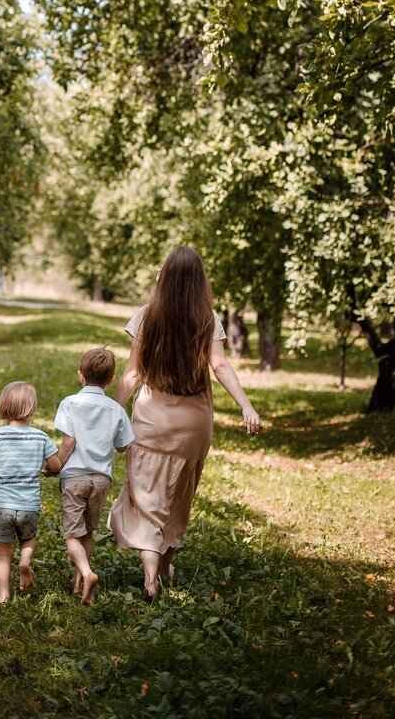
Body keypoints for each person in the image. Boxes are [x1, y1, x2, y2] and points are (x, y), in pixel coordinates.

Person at [109, 246, 262, 598]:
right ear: (199, 281)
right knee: (178, 498)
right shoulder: (207, 318)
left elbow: (132, 374)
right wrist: (246, 407)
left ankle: (150, 576)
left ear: (164, 276)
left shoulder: (147, 315)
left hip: (151, 423)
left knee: (146, 498)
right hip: (192, 428)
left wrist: (113, 412)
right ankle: (164, 567)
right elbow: (220, 365)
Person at [50, 347, 134, 604]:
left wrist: (56, 466)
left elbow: (68, 442)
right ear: (110, 380)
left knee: (72, 534)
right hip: (100, 480)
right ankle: (78, 584)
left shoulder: (70, 403)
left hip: (74, 478)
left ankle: (86, 573)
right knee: (87, 531)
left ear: (80, 375)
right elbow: (122, 446)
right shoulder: (116, 410)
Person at [0, 381, 61, 604]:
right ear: (33, 407)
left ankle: (3, 596)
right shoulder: (40, 437)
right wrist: (49, 470)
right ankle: (25, 560)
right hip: (29, 505)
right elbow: (56, 466)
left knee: (3, 555)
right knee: (28, 539)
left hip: (1, 505)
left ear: (3, 407)